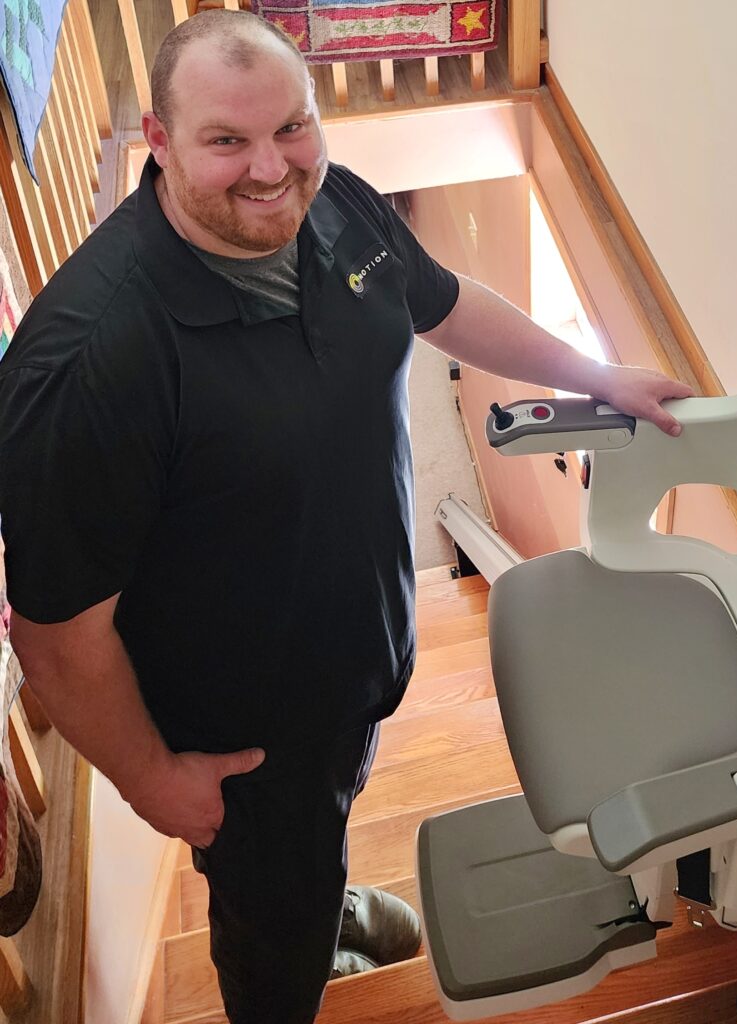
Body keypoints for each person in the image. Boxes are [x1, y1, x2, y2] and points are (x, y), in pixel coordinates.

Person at [0, 10, 693, 1024]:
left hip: (357, 657)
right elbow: (57, 639)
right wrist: (152, 779)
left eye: (292, 128)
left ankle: (322, 904)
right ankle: (293, 953)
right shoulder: (91, 365)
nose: (272, 169)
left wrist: (594, 376)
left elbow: (444, 300)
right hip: (244, 738)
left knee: (326, 823)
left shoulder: (339, 207)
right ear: (160, 141)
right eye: (226, 141)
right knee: (269, 926)